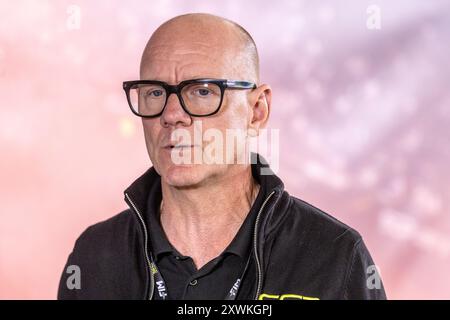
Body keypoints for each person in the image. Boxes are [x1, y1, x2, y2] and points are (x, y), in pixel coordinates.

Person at [58, 13, 386, 300]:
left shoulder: (335, 258)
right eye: (155, 92)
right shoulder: (94, 256)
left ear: (257, 111)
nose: (172, 114)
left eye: (202, 91)